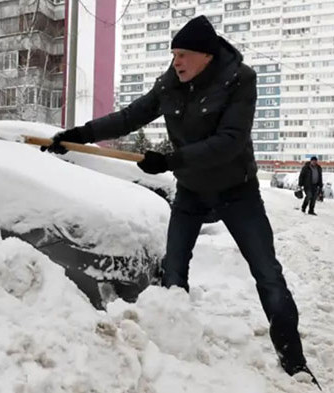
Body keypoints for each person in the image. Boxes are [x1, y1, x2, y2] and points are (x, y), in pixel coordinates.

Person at [43, 15, 319, 387]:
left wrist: (171, 161)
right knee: (174, 272)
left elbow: (231, 140)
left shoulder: (240, 79)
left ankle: (294, 361)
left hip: (237, 190)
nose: (176, 61)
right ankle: (175, 351)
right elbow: (130, 117)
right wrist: (80, 133)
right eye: (173, 54)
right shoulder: (171, 84)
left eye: (183, 54)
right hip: (191, 190)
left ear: (206, 55)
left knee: (267, 274)